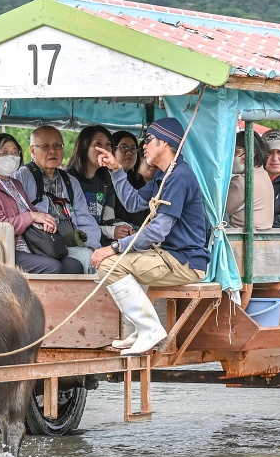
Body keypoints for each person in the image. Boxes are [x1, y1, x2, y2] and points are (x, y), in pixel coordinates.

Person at [90, 117, 209, 356]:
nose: (143, 145)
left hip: (184, 261)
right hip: (169, 256)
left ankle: (149, 328)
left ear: (165, 143)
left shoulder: (179, 177)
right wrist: (116, 170)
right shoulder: (163, 175)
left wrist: (114, 247)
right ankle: (142, 327)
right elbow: (133, 203)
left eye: (149, 140)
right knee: (115, 264)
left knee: (109, 265)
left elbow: (158, 230)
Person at [0, 133, 83, 274]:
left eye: (14, 152)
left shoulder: (15, 183)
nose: (10, 157)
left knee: (74, 265)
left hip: (31, 243)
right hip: (4, 249)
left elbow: (31, 211)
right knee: (53, 267)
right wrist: (31, 217)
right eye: (3, 153)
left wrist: (45, 221)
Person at [14, 125, 101, 274]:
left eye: (57, 146)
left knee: (91, 255)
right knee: (85, 257)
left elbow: (84, 218)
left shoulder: (70, 181)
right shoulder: (21, 177)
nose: (52, 151)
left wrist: (92, 245)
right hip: (38, 245)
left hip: (68, 245)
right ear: (33, 150)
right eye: (45, 146)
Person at [66, 125, 135, 246]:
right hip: (76, 240)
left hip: (99, 240)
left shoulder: (108, 180)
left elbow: (108, 219)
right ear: (84, 146)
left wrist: (122, 228)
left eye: (108, 144)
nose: (104, 149)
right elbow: (72, 223)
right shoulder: (67, 178)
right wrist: (110, 231)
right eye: (98, 144)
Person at [225, 130, 274, 229]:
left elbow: (219, 213)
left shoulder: (241, 182)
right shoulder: (264, 175)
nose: (232, 156)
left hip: (238, 242)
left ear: (252, 153)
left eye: (236, 151)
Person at [110, 130, 148, 228]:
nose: (129, 153)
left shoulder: (140, 181)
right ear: (112, 150)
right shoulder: (103, 179)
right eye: (124, 148)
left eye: (133, 149)